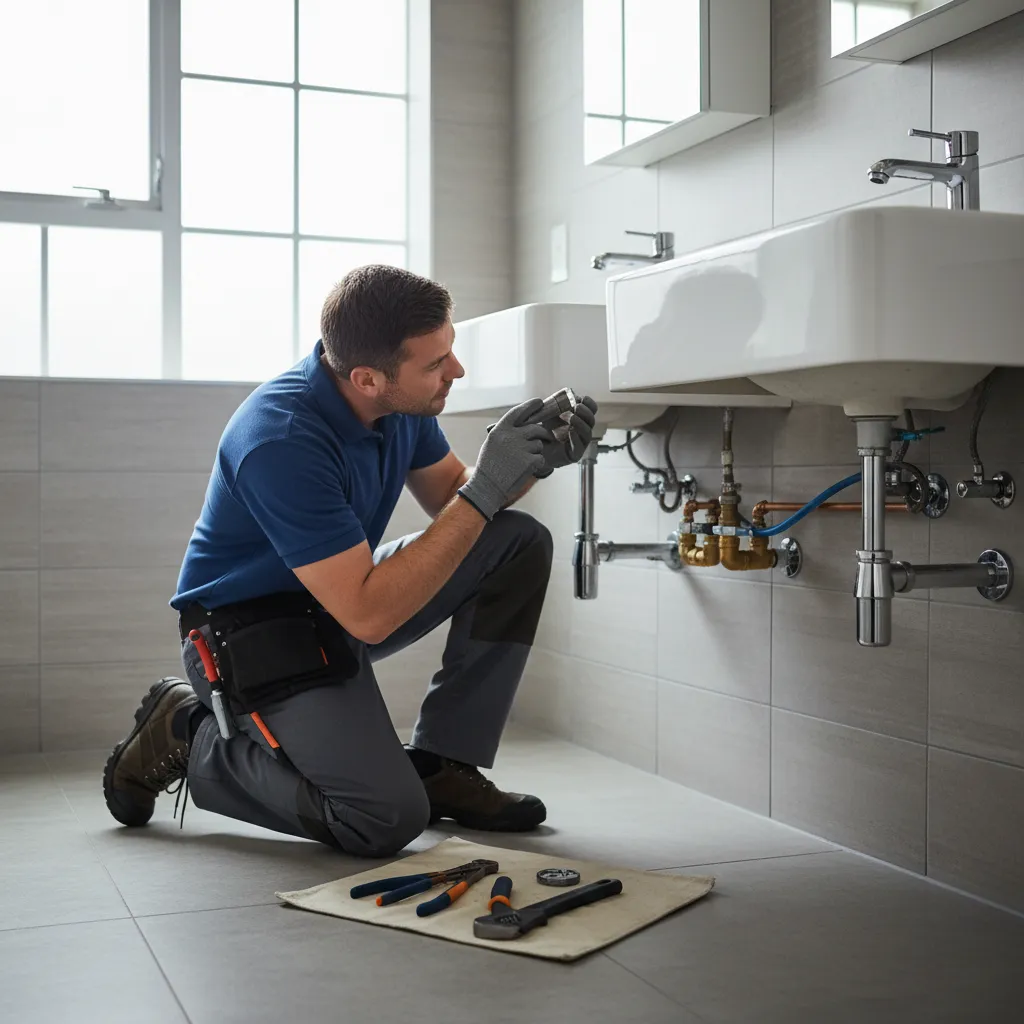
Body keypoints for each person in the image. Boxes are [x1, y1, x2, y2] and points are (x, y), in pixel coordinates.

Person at [101, 265, 598, 857]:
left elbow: (456, 495)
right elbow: (369, 615)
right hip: (249, 634)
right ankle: (187, 730)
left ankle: (446, 765)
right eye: (435, 364)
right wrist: (486, 488)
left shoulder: (399, 406)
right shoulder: (280, 439)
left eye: (451, 351)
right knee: (380, 818)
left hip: (337, 597)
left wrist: (529, 461)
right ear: (367, 378)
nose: (455, 372)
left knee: (515, 541)